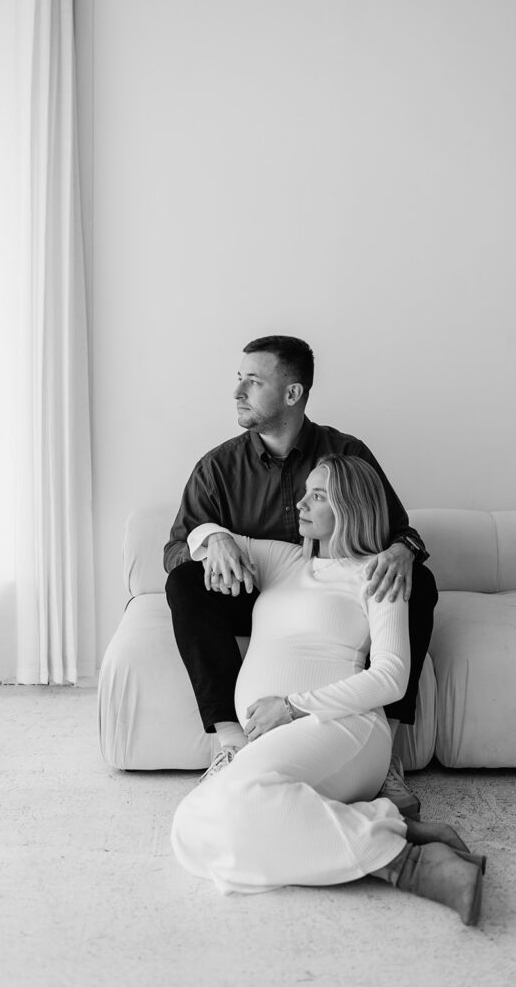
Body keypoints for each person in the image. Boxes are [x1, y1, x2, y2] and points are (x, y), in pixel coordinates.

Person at [170, 455, 484, 925]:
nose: (301, 502)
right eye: (306, 491)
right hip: (280, 735)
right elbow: (198, 540)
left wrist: (294, 707)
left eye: (318, 495)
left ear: (351, 507)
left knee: (236, 804)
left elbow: (392, 675)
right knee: (189, 826)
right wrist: (213, 536)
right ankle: (394, 830)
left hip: (345, 727)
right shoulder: (282, 560)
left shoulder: (377, 572)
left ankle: (411, 867)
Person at [165, 335, 438, 816]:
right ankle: (230, 742)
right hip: (252, 589)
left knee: (415, 582)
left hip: (338, 590)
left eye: (253, 382)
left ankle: (388, 756)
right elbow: (175, 549)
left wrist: (402, 550)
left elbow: (398, 530)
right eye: (239, 380)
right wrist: (212, 538)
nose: (238, 393)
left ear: (293, 394)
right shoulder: (219, 467)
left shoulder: (345, 455)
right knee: (185, 582)